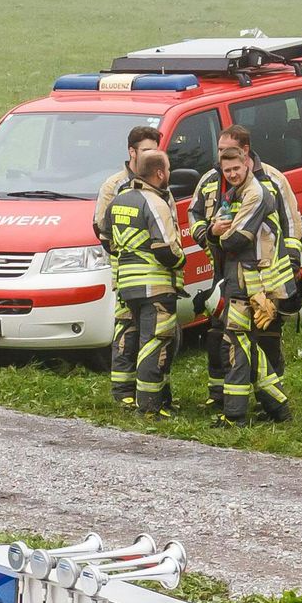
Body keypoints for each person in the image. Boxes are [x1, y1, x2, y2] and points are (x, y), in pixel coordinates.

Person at [191, 123, 300, 425]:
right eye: (226, 169)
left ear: (246, 159)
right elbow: (200, 218)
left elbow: (239, 239)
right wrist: (212, 233)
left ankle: (238, 414)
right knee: (239, 344)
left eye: (235, 167)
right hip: (234, 279)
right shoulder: (229, 189)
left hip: (255, 284)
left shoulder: (259, 191)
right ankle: (276, 407)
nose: (230, 173)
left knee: (242, 344)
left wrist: (220, 236)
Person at [103, 135, 183, 420]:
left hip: (127, 284)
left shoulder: (120, 199)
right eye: (169, 169)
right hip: (155, 285)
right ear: (160, 173)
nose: (169, 174)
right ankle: (149, 407)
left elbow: (104, 234)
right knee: (155, 341)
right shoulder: (155, 201)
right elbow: (165, 246)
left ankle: (126, 394)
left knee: (129, 337)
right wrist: (181, 261)